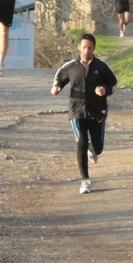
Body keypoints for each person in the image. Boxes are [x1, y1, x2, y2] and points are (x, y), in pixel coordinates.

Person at [50, 33, 118, 194]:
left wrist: (105, 90)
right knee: (81, 142)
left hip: (97, 113)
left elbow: (113, 83)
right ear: (79, 47)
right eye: (84, 47)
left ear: (94, 48)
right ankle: (85, 181)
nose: (86, 50)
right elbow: (59, 77)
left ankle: (92, 150)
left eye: (90, 47)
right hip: (77, 112)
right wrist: (57, 87)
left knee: (98, 147)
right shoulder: (71, 66)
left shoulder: (101, 67)